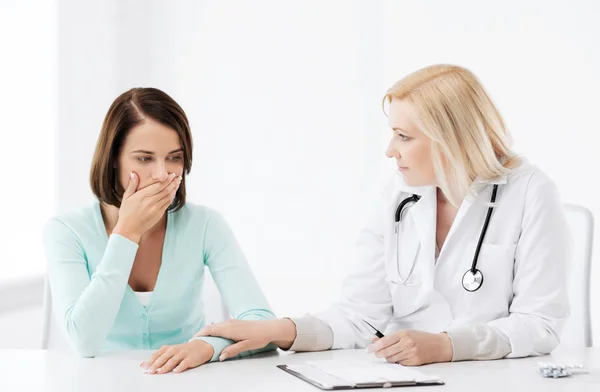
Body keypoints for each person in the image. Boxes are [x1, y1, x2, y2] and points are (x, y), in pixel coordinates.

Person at [192, 64, 572, 366]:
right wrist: (280, 330)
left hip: (494, 386)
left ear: (451, 138)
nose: (391, 151)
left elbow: (539, 326)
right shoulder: (398, 196)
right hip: (404, 384)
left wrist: (447, 346)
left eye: (404, 136)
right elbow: (360, 317)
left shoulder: (530, 193)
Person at [43, 87, 275, 374]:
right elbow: (84, 341)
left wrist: (206, 346)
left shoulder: (205, 225)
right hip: (98, 387)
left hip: (186, 384)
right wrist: (126, 233)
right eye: (144, 158)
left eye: (174, 158)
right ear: (113, 159)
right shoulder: (66, 231)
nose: (163, 174)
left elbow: (262, 324)